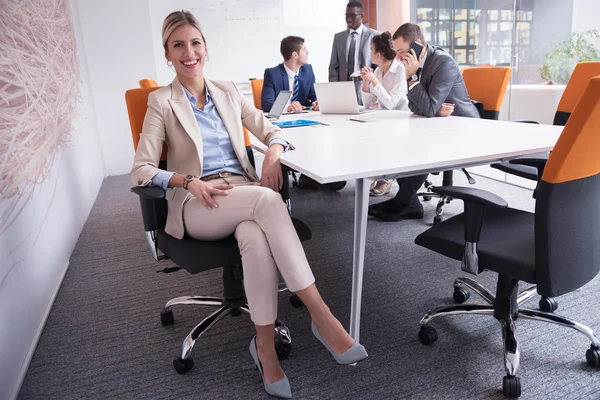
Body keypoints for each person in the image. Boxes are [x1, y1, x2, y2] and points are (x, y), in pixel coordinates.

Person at [131, 11, 367, 399]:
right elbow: (140, 169)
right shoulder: (162, 101)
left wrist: (273, 152)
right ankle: (322, 317)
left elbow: (271, 127)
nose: (189, 52)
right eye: (179, 45)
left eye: (195, 43)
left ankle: (264, 349)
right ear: (168, 54)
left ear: (205, 48)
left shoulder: (226, 91)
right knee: (267, 198)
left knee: (256, 238)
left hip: (241, 192)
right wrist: (185, 181)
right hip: (198, 201)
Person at [368, 23, 479, 222]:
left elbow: (426, 108)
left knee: (420, 143)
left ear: (417, 45)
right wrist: (432, 108)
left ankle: (402, 202)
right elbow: (415, 106)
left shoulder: (443, 63)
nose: (398, 57)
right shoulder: (414, 64)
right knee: (398, 140)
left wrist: (413, 79)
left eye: (401, 51)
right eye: (396, 52)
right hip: (437, 123)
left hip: (463, 126)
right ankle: (409, 203)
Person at [360, 31, 409, 196]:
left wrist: (374, 81)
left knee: (381, 134)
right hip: (384, 118)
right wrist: (367, 82)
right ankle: (376, 172)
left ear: (378, 54)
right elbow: (367, 103)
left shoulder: (400, 70)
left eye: (371, 50)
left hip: (401, 119)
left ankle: (387, 177)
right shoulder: (379, 70)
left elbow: (390, 104)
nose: (370, 53)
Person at [328, 0, 378, 105]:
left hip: (365, 87)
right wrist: (333, 91)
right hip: (343, 87)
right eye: (347, 15)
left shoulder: (374, 36)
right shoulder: (338, 37)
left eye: (353, 15)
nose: (349, 19)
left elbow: (379, 66)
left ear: (362, 16)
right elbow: (333, 67)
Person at [261, 36, 318, 113]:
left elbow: (314, 97)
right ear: (295, 55)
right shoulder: (272, 74)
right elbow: (266, 104)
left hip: (304, 116)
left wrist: (317, 103)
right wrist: (288, 107)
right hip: (282, 119)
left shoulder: (307, 70)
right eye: (304, 49)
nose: (307, 52)